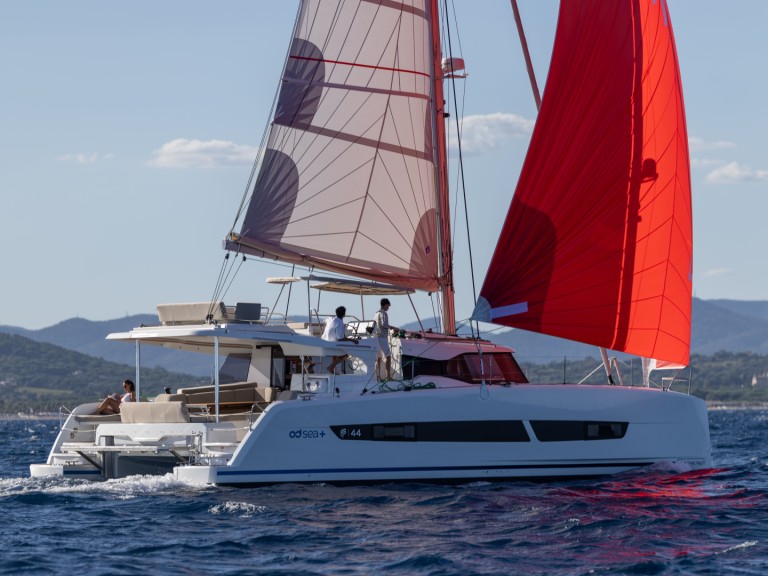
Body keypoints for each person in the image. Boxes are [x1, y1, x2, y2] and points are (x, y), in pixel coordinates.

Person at [321, 306, 358, 374]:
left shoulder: (331, 318)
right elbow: (340, 338)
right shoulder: (340, 323)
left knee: (335, 352)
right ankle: (330, 367)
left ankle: (334, 370)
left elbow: (324, 322)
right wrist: (352, 340)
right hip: (331, 344)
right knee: (345, 355)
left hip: (324, 342)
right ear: (344, 314)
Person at [374, 298, 398, 381]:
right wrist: (393, 327)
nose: (388, 308)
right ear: (385, 305)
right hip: (383, 338)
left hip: (377, 337)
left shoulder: (376, 313)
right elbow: (384, 324)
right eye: (388, 306)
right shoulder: (383, 313)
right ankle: (388, 377)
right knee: (388, 357)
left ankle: (378, 377)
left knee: (379, 358)